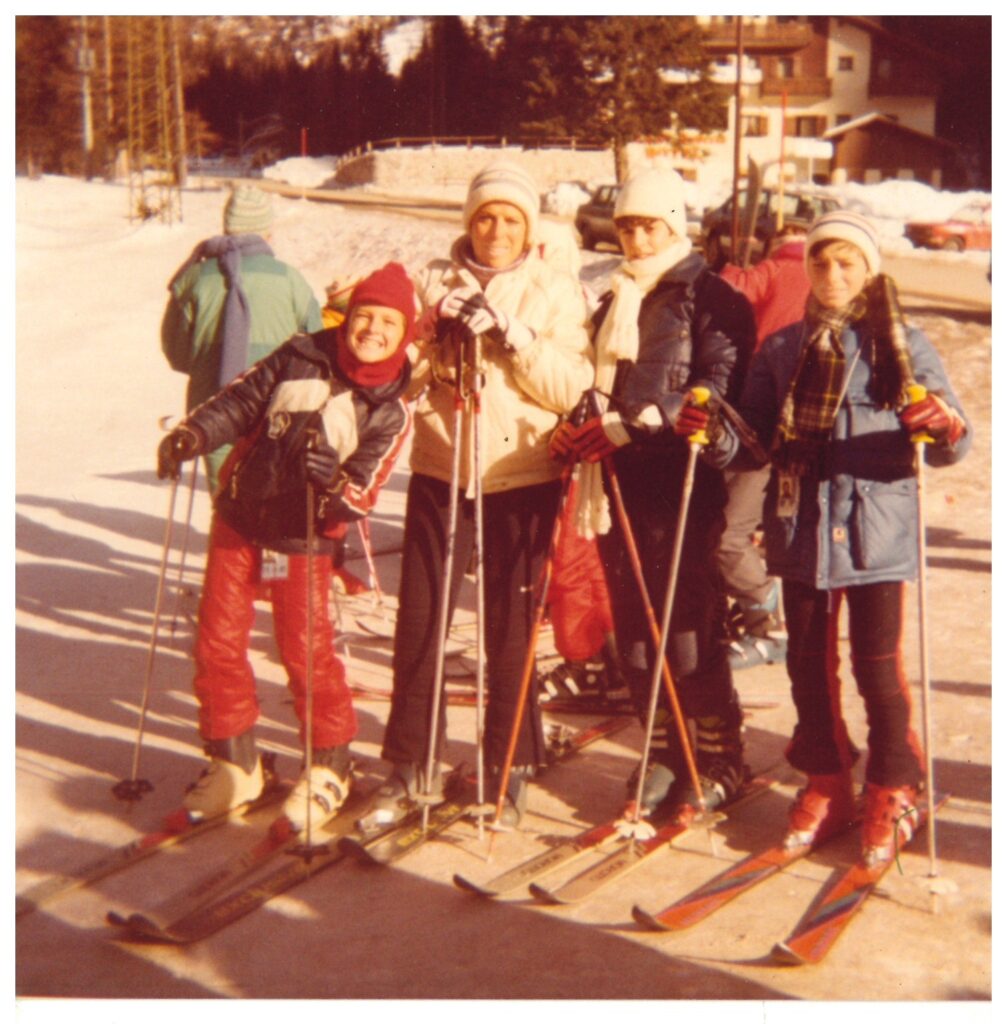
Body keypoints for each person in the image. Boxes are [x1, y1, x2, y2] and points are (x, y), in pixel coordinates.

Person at [708, 210, 970, 865]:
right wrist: (712, 431)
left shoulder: (901, 344)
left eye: (846, 262)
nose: (831, 273)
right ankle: (826, 782)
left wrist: (937, 424)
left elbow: (951, 439)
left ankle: (893, 783)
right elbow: (751, 441)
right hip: (800, 528)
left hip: (873, 532)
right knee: (806, 669)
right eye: (821, 262)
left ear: (867, 271)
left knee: (876, 670)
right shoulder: (781, 349)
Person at [370, 161, 594, 829]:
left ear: (529, 227)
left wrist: (511, 335)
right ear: (469, 222)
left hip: (521, 474)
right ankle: (411, 760)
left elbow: (571, 387)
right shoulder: (434, 279)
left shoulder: (553, 290)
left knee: (510, 626)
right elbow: (398, 379)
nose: (497, 231)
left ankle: (509, 762)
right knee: (421, 618)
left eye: (511, 219)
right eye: (486, 217)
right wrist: (428, 336)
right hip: (442, 468)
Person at [156, 263, 415, 832]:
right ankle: (235, 763)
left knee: (303, 649)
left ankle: (329, 765)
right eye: (365, 315)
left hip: (301, 540)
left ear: (404, 334)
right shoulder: (301, 353)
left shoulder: (390, 407)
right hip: (242, 519)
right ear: (348, 316)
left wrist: (332, 482)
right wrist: (193, 434)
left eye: (388, 322)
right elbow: (239, 402)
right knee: (218, 640)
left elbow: (363, 491)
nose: (372, 329)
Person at [551, 167, 757, 816]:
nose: (637, 240)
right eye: (627, 228)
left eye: (649, 227)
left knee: (687, 620)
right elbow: (593, 377)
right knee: (637, 626)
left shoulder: (710, 296)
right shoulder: (616, 296)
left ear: (674, 226)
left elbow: (719, 384)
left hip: (682, 480)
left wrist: (641, 420)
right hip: (618, 483)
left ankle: (719, 751)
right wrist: (582, 420)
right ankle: (663, 748)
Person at [161, 184, 322, 492]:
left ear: (226, 227)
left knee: (224, 499)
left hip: (211, 411)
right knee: (268, 500)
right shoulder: (291, 280)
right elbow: (316, 348)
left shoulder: (194, 277)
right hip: (278, 412)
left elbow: (177, 354)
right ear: (267, 233)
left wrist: (211, 361)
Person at [715, 222, 811, 669]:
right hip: (799, 423)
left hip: (758, 415)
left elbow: (731, 291)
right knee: (761, 525)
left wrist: (732, 265)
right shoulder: (818, 274)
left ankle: (767, 620)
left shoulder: (776, 268)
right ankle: (756, 610)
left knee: (728, 533)